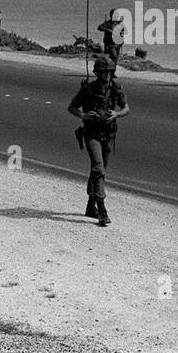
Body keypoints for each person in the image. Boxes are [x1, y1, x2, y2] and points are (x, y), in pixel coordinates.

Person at [68, 55, 129, 227]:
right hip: (91, 133)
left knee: (98, 171)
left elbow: (126, 108)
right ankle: (102, 209)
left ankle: (90, 205)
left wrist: (117, 114)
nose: (107, 74)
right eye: (104, 71)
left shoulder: (117, 88)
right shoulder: (88, 89)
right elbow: (71, 107)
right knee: (98, 168)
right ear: (97, 72)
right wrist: (83, 115)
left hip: (109, 135)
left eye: (110, 71)